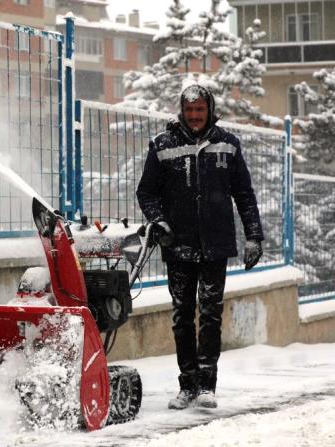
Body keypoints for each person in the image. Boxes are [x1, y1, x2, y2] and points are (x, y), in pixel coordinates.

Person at [136, 84, 264, 410]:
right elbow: (146, 192)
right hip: (178, 246)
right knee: (181, 317)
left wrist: (254, 237)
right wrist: (159, 220)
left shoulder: (228, 145)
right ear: (182, 111)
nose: (194, 116)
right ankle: (187, 385)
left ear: (209, 110)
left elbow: (245, 195)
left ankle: (207, 386)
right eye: (190, 110)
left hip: (216, 246)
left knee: (210, 315)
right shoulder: (162, 146)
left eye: (200, 110)